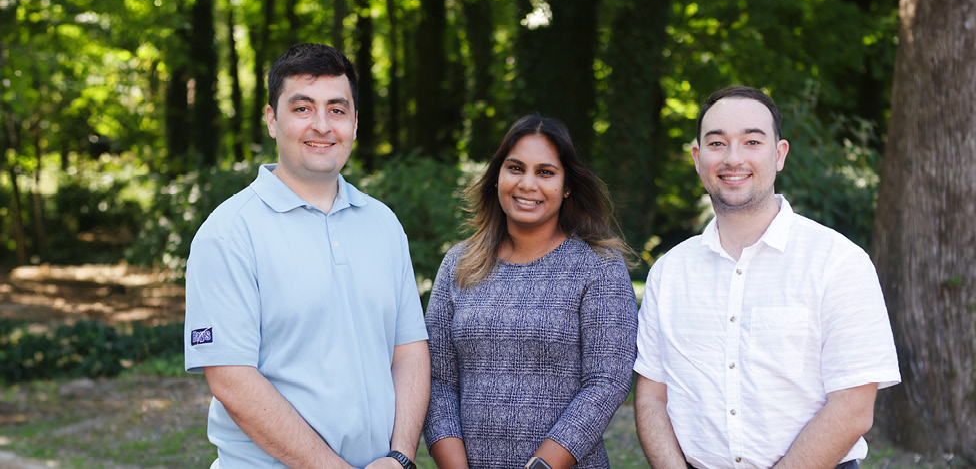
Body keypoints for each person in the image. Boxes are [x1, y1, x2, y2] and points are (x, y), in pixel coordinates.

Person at [184, 43, 430, 469]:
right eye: (302, 108)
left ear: (355, 123)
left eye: (337, 109)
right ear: (271, 120)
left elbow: (408, 351)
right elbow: (231, 378)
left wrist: (401, 457)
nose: (322, 125)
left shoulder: (383, 224)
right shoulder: (227, 234)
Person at [634, 85, 901, 469]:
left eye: (752, 142)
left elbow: (854, 407)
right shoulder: (669, 272)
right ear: (697, 157)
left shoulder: (839, 262)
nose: (733, 157)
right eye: (716, 143)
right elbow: (651, 398)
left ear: (779, 155)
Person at [423, 114, 638, 469]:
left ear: (567, 185)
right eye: (515, 168)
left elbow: (606, 382)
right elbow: (437, 379)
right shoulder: (459, 263)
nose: (527, 184)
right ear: (497, 178)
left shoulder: (598, 266)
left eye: (545, 172)